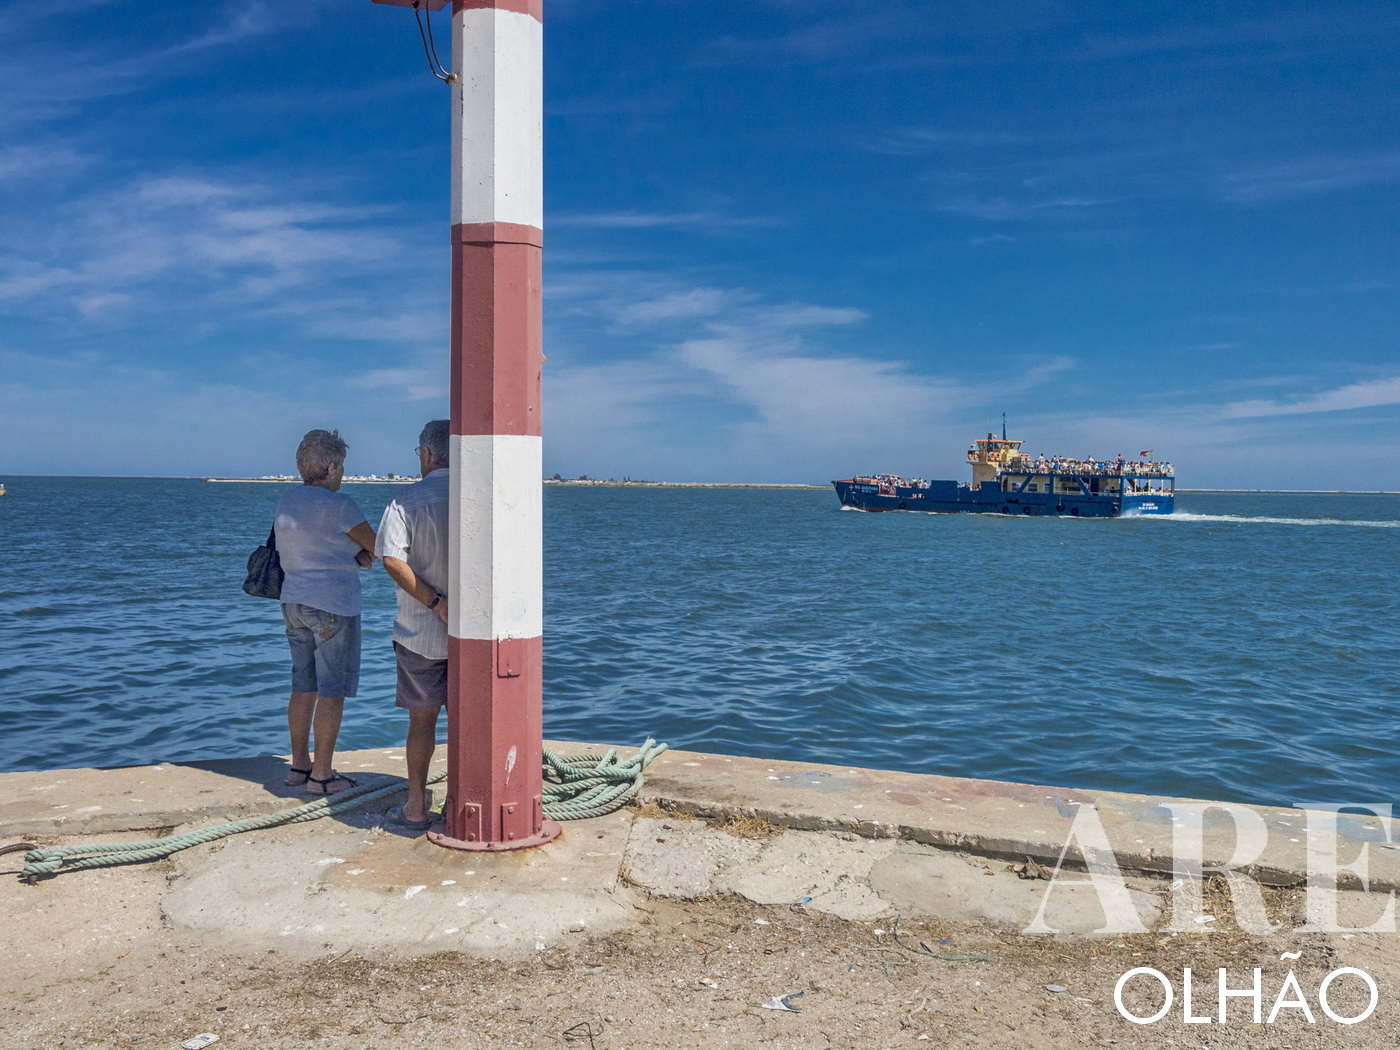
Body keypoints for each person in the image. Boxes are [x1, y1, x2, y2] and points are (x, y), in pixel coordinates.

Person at [274, 429, 376, 795]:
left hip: (293, 601)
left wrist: (351, 552)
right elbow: (375, 546)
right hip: (333, 605)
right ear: (332, 466)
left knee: (303, 686)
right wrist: (360, 554)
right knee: (331, 692)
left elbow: (311, 543)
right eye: (342, 466)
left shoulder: (287, 499)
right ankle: (322, 776)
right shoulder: (342, 505)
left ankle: (298, 767)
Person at [375, 420, 450, 831]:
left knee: (422, 721)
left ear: (426, 454)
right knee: (470, 722)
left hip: (418, 631)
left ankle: (417, 806)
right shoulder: (478, 496)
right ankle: (463, 801)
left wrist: (437, 603)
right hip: (475, 637)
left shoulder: (406, 500)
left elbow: (390, 559)